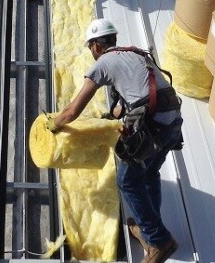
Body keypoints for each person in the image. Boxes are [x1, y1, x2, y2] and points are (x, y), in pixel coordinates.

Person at [47, 18, 183, 263]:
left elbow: (72, 111)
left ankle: (160, 242)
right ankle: (151, 227)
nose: (91, 52)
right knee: (148, 174)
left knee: (127, 182)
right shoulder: (135, 53)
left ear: (96, 46)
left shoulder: (104, 62)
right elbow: (137, 96)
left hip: (154, 130)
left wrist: (52, 126)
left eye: (90, 47)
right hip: (172, 124)